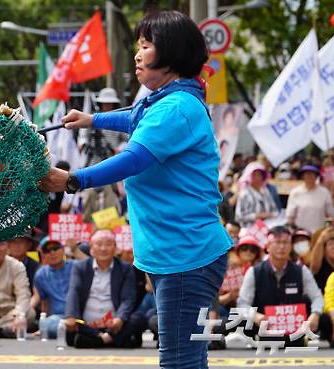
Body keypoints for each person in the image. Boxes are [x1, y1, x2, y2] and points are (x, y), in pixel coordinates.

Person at [40, 10, 230, 367]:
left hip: (186, 256)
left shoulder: (176, 107)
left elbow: (134, 158)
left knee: (179, 360)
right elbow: (134, 117)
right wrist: (92, 119)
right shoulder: (166, 100)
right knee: (185, 358)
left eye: (147, 45)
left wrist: (73, 179)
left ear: (171, 55)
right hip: (177, 254)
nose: (138, 54)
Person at [237, 226, 323, 346]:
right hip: (263, 326)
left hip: (295, 328)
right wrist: (256, 316)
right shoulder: (254, 272)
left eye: (285, 243)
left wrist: (315, 314)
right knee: (237, 319)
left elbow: (317, 297)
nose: (281, 247)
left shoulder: (301, 271)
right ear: (267, 246)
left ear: (290, 246)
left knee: (323, 318)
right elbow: (242, 304)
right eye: (277, 242)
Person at [64, 230, 145, 348]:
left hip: (114, 323)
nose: (103, 248)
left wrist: (119, 319)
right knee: (70, 324)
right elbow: (73, 291)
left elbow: (128, 298)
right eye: (99, 244)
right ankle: (114, 340)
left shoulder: (125, 268)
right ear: (91, 248)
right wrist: (71, 315)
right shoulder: (80, 267)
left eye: (108, 244)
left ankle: (98, 340)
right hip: (87, 323)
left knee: (139, 318)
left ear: (115, 248)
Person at [30, 237, 75, 338]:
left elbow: (92, 265)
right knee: (47, 325)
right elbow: (43, 302)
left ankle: (74, 329)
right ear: (43, 254)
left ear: (63, 250)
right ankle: (74, 330)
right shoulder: (41, 274)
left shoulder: (76, 266)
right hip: (58, 318)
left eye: (55, 248)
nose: (52, 252)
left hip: (78, 315)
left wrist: (75, 250)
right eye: (47, 250)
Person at [286, 165, 334, 233]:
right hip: (301, 233)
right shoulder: (295, 192)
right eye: (306, 174)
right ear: (303, 176)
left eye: (312, 174)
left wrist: (327, 231)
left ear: (316, 177)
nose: (309, 176)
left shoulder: (324, 192)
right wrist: (292, 230)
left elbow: (330, 215)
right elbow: (290, 215)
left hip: (319, 232)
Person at [235, 163, 279, 228]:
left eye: (259, 175)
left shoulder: (266, 191)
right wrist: (257, 216)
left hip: (267, 227)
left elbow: (275, 211)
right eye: (254, 175)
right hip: (249, 229)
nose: (257, 177)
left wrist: (270, 215)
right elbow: (239, 217)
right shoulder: (244, 193)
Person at [307, 227, 334, 292]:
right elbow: (313, 269)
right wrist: (321, 239)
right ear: (324, 250)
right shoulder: (319, 265)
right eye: (331, 244)